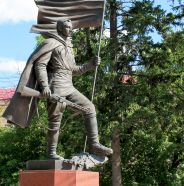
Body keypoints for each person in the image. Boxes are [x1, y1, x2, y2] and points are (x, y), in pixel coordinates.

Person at [3, 19, 113, 160]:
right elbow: (40, 65)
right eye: (67, 27)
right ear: (60, 29)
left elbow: (74, 70)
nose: (70, 29)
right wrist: (45, 86)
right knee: (55, 121)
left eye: (71, 27)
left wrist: (90, 65)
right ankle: (51, 153)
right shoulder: (51, 43)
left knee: (89, 107)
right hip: (56, 86)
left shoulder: (68, 47)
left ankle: (95, 144)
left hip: (69, 86)